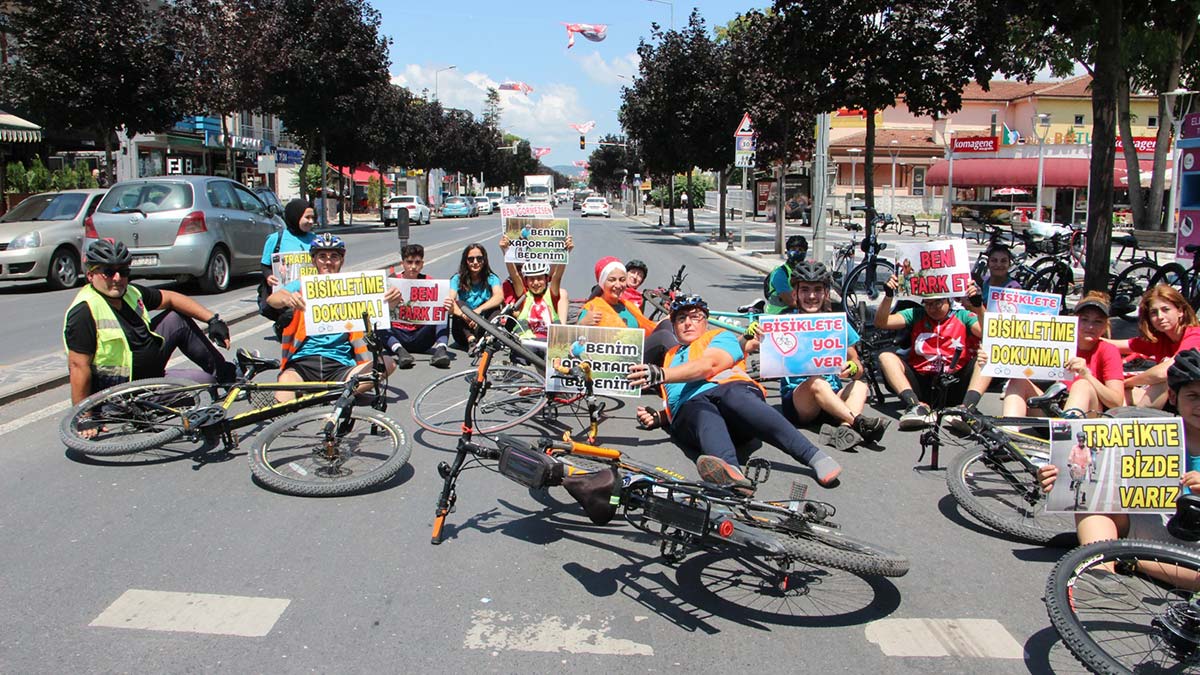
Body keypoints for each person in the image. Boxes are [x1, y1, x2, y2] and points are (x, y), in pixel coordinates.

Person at [627, 294, 842, 489]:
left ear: (706, 321)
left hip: (736, 404)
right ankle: (730, 474)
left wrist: (662, 374)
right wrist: (660, 417)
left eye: (695, 317)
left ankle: (814, 456)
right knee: (697, 407)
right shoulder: (670, 356)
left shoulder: (720, 337)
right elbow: (678, 398)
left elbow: (709, 365)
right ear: (673, 326)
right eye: (681, 319)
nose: (688, 323)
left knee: (732, 396)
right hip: (695, 417)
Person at [1038, 349, 1200, 546]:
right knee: (1092, 503)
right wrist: (1058, 477)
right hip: (1157, 524)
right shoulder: (1150, 435)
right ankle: (1099, 568)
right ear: (1173, 397)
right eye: (1193, 396)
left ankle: (1130, 561)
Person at [64, 239, 235, 406]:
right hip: (123, 393)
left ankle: (230, 377)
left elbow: (171, 298)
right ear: (90, 275)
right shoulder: (85, 311)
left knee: (177, 319)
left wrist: (212, 320)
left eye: (123, 272)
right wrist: (84, 417)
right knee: (205, 389)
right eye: (108, 272)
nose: (117, 278)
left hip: (151, 372)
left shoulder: (131, 292)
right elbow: (78, 366)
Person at [746, 261, 890, 451]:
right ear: (795, 293)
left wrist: (853, 368)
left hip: (832, 397)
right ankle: (859, 422)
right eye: (805, 290)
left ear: (825, 293)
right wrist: (750, 335)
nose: (811, 296)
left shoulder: (837, 324)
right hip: (800, 402)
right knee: (817, 382)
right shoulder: (781, 322)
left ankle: (844, 430)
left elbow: (857, 366)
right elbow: (747, 348)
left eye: (817, 290)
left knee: (860, 386)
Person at [265, 233, 401, 402]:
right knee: (283, 394)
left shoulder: (354, 287)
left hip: (341, 365)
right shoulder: (303, 284)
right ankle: (338, 394)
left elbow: (378, 312)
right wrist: (287, 299)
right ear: (314, 260)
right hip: (303, 363)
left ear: (342, 261)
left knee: (388, 363)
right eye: (322, 256)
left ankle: (333, 393)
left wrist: (392, 301)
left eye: (334, 256)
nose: (328, 262)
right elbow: (273, 299)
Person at [874, 274, 984, 429]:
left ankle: (966, 410)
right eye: (928, 303)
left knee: (987, 357)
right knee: (886, 357)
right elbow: (881, 322)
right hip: (923, 381)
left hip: (954, 381)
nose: (932, 308)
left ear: (948, 300)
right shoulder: (916, 313)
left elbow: (985, 332)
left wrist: (978, 307)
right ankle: (915, 406)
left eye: (937, 303)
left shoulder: (963, 315)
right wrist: (888, 296)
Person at [998, 293, 1125, 418]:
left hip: (1086, 418)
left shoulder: (1108, 350)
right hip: (1055, 407)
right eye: (1084, 320)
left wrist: (1087, 376)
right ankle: (1011, 430)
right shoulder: (1060, 343)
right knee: (1017, 381)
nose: (1090, 326)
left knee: (1082, 385)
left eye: (1097, 322)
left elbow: (1116, 402)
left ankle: (1065, 430)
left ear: (1105, 327)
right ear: (1074, 321)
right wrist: (993, 356)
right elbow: (1018, 358)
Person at [1106, 284, 1200, 408]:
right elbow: (1120, 345)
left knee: (1166, 379)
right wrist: (1084, 336)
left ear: (1180, 311)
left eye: (1166, 310)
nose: (1160, 317)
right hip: (1173, 399)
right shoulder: (1160, 339)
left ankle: (1139, 422)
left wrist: (1129, 382)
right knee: (1119, 393)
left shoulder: (1195, 336)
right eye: (1154, 313)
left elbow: (1164, 372)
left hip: (1192, 401)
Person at [378, 244, 452, 369]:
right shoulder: (392, 281)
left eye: (417, 262)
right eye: (409, 262)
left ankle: (441, 350)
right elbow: (381, 307)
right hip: (398, 335)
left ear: (422, 264)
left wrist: (448, 307)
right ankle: (400, 352)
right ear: (403, 263)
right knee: (378, 319)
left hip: (421, 335)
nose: (413, 267)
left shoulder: (429, 281)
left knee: (442, 310)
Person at [259, 198, 318, 339]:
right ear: (295, 216)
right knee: (290, 315)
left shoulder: (315, 238)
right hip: (285, 291)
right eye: (307, 217)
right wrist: (268, 276)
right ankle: (282, 328)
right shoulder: (276, 238)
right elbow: (265, 264)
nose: (311, 221)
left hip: (308, 290)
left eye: (313, 218)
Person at [578, 257, 657, 335]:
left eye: (622, 280)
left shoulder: (630, 307)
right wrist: (582, 325)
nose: (618, 285)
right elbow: (574, 342)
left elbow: (648, 328)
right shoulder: (591, 309)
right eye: (612, 280)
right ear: (602, 283)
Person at [448, 243, 504, 348]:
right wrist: (464, 316)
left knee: (495, 308)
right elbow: (450, 301)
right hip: (463, 331)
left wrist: (477, 311)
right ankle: (471, 340)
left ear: (484, 260)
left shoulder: (491, 278)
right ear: (466, 261)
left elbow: (499, 297)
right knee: (459, 303)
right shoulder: (457, 279)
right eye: (471, 259)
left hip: (484, 325)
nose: (475, 262)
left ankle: (488, 337)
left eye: (479, 259)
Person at [763, 235, 809, 314]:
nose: (797, 252)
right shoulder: (780, 273)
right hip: (777, 317)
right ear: (787, 251)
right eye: (793, 249)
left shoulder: (807, 271)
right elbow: (790, 301)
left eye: (800, 249)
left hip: (797, 315)